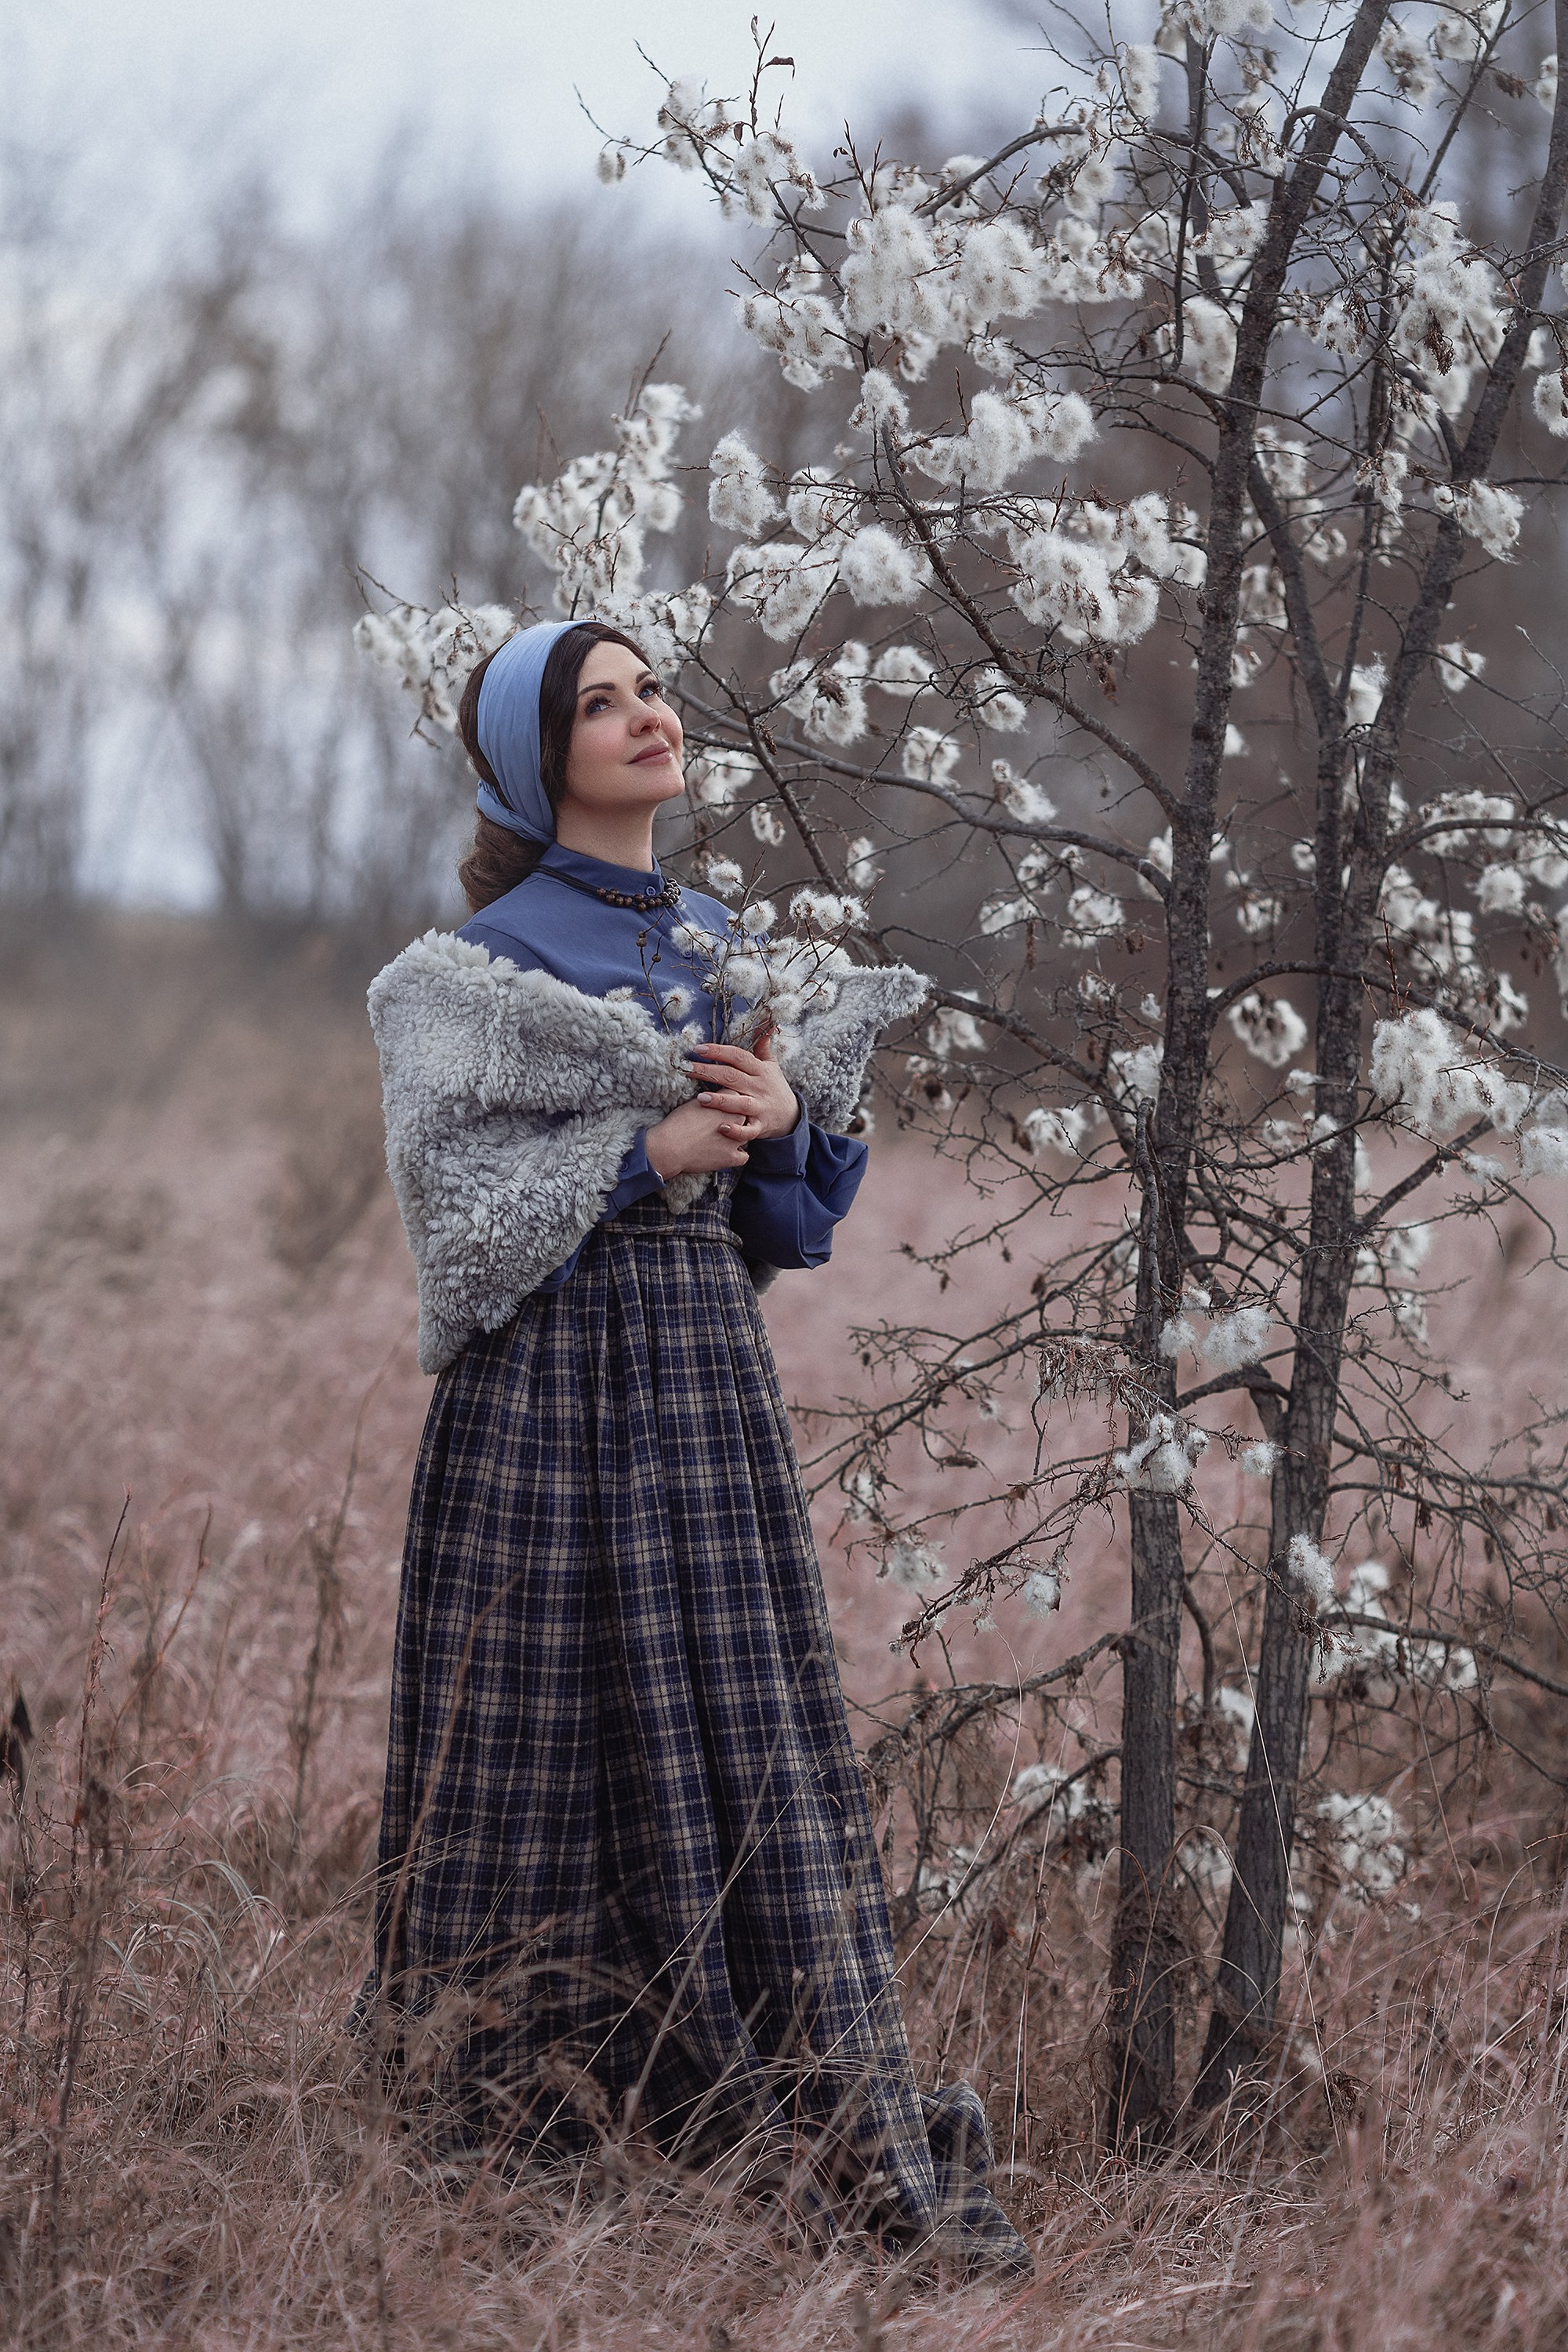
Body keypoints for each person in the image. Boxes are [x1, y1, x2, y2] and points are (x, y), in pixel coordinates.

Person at [362, 617, 1033, 2278]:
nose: (647, 716)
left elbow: (787, 1224)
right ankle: (517, 2116)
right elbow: (456, 1234)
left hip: (701, 1386)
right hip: (541, 1396)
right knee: (543, 1730)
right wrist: (647, 1142)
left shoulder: (730, 945)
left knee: (736, 1725)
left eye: (651, 688)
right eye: (601, 704)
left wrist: (784, 1122)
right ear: (536, 761)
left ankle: (744, 2093)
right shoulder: (471, 974)